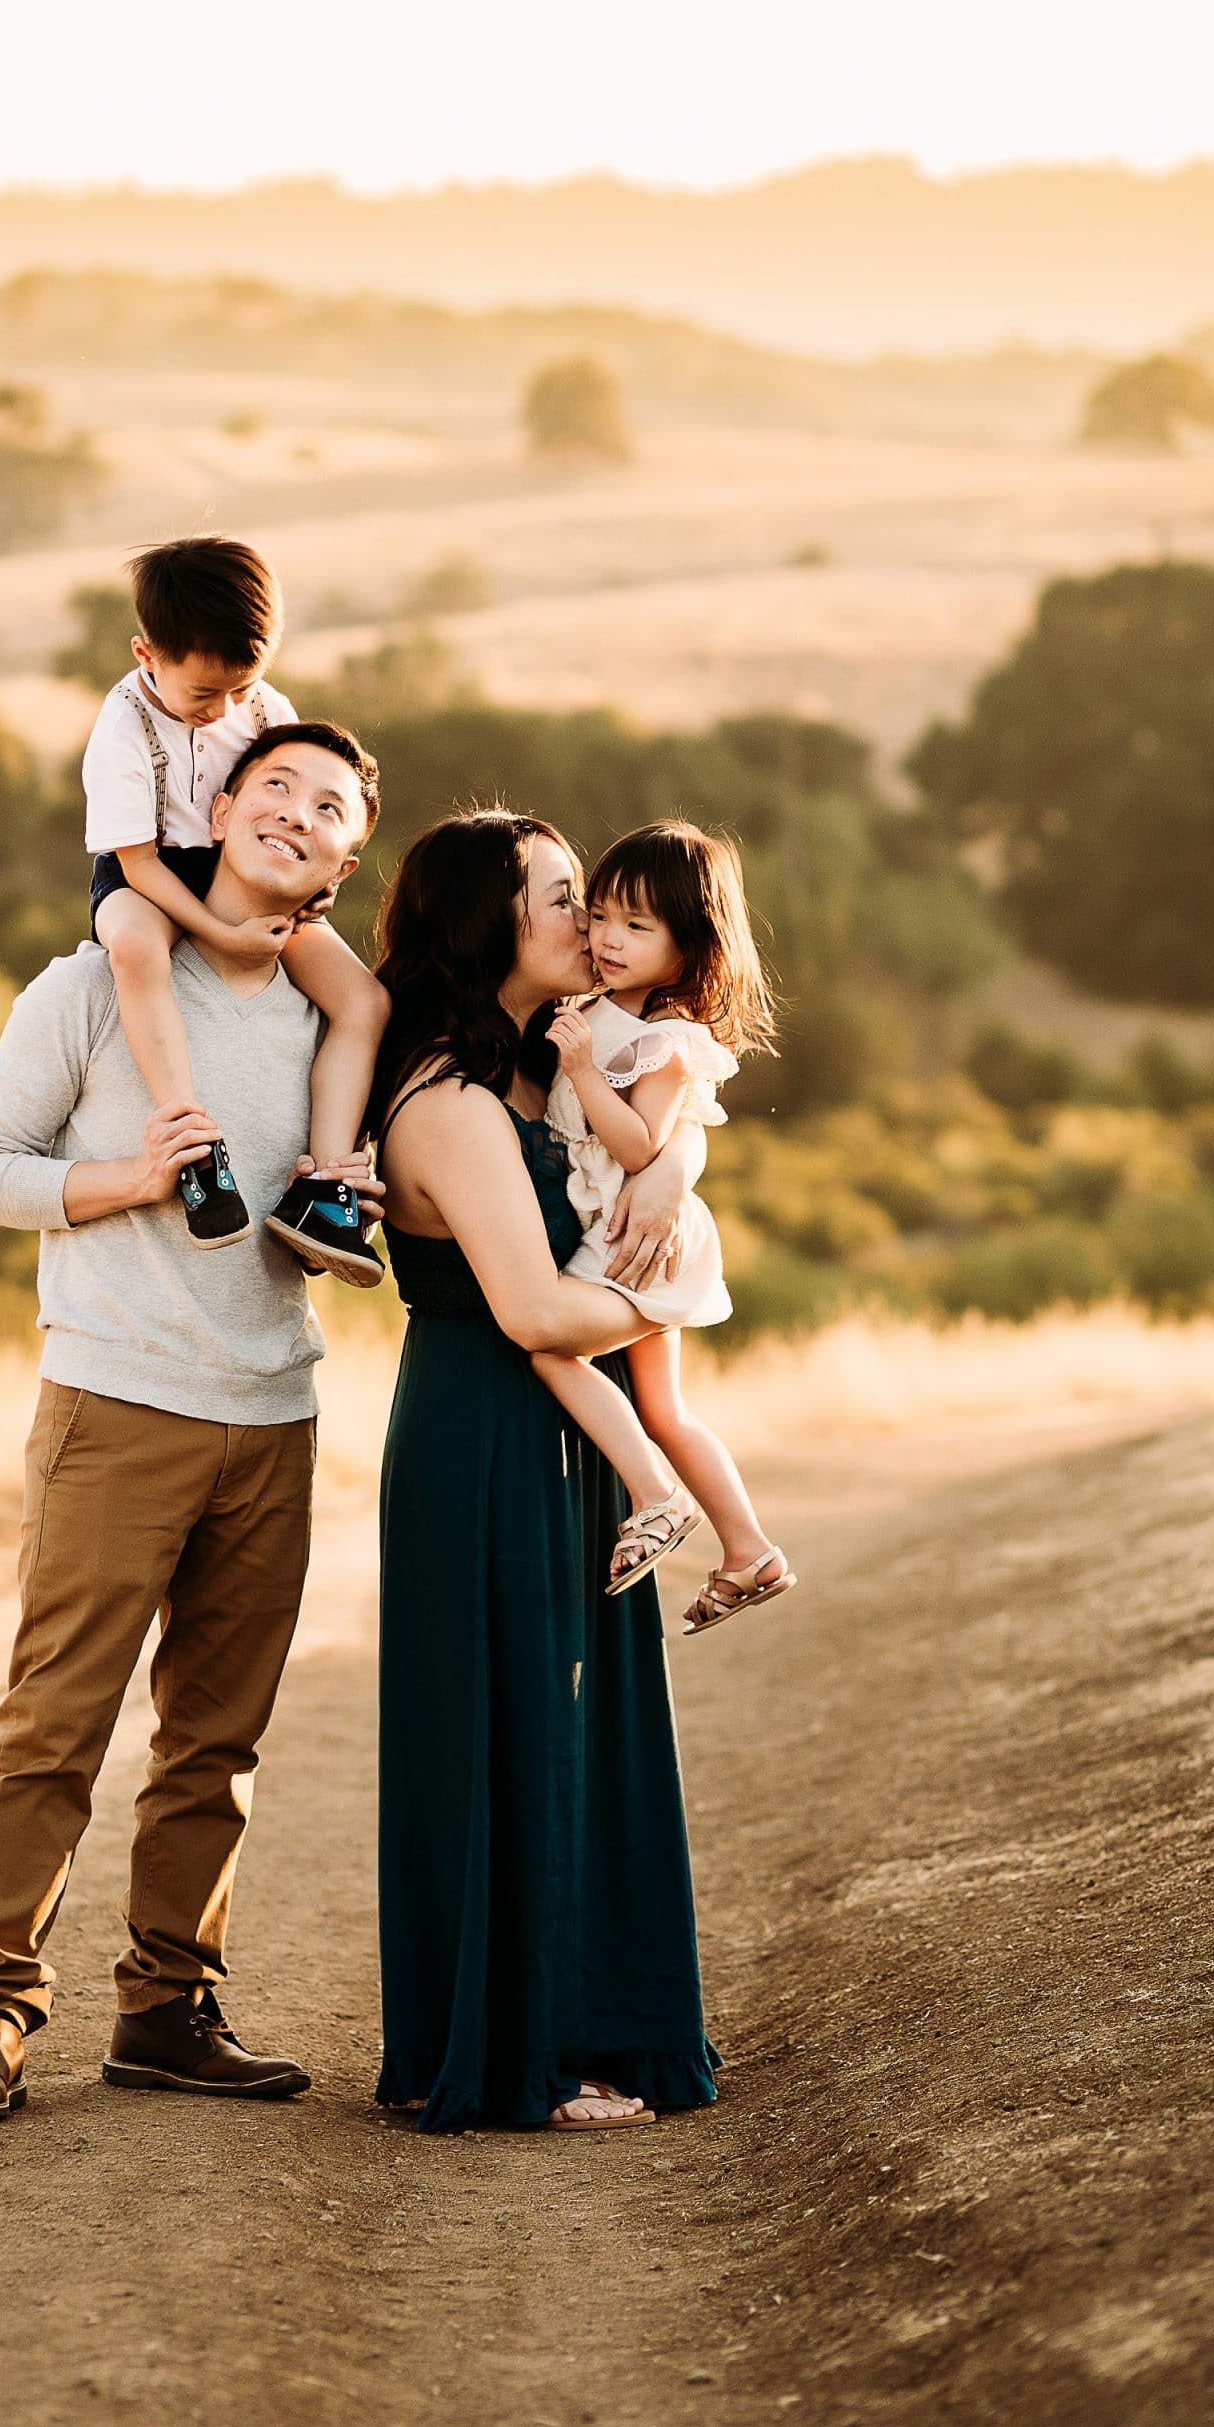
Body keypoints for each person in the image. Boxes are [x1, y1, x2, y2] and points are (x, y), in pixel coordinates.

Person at [0, 720, 383, 2127]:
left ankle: (168, 2010)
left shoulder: (329, 1016)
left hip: (276, 1411)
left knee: (215, 1744)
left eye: (334, 807)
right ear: (221, 805)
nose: (299, 812)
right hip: (116, 1403)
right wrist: (125, 1177)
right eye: (278, 787)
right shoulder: (92, 984)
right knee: (55, 1728)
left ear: (346, 861)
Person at [370, 810, 722, 2133]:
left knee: (580, 1726)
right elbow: (528, 1309)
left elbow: (656, 1144)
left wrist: (673, 1166)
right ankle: (520, 2044)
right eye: (563, 896)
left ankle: (599, 2019)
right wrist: (677, 1298)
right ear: (491, 921)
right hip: (483, 1427)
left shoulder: (531, 1073)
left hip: (556, 1427)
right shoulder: (449, 1099)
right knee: (508, 1726)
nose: (591, 920)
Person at [80, 534, 387, 1283]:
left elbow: (294, 802)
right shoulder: (122, 728)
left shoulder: (259, 704)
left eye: (240, 691)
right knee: (136, 953)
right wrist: (223, 934)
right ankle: (195, 1150)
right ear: (146, 654)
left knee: (364, 1001)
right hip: (149, 878)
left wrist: (312, 887)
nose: (225, 710)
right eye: (204, 696)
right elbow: (138, 862)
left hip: (246, 874)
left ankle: (327, 1184)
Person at [533, 820, 796, 1633]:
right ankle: (749, 1550)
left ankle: (654, 1496)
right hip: (626, 1230)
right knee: (665, 1409)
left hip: (632, 1240)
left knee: (549, 1345)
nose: (608, 938)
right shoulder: (591, 1004)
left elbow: (642, 1143)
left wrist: (579, 1067)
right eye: (601, 914)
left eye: (637, 927)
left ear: (686, 949)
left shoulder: (668, 1041)